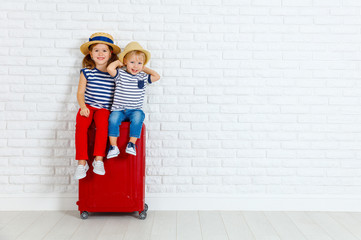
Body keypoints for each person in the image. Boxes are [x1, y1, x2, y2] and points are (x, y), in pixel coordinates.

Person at [74, 32, 120, 180]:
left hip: (104, 108)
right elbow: (80, 93)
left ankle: (98, 160)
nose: (100, 53)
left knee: (102, 127)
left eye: (104, 50)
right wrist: (82, 107)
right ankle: (82, 163)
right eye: (96, 50)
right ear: (91, 54)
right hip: (88, 106)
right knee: (81, 126)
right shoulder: (86, 72)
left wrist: (118, 63)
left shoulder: (114, 72)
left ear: (110, 53)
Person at [106, 41, 160, 158]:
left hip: (134, 109)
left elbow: (157, 76)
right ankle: (113, 147)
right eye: (132, 62)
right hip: (118, 109)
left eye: (139, 63)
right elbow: (110, 68)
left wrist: (144, 68)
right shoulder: (120, 74)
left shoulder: (143, 77)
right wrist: (119, 62)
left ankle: (131, 144)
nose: (135, 66)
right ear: (125, 62)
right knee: (113, 120)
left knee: (139, 117)